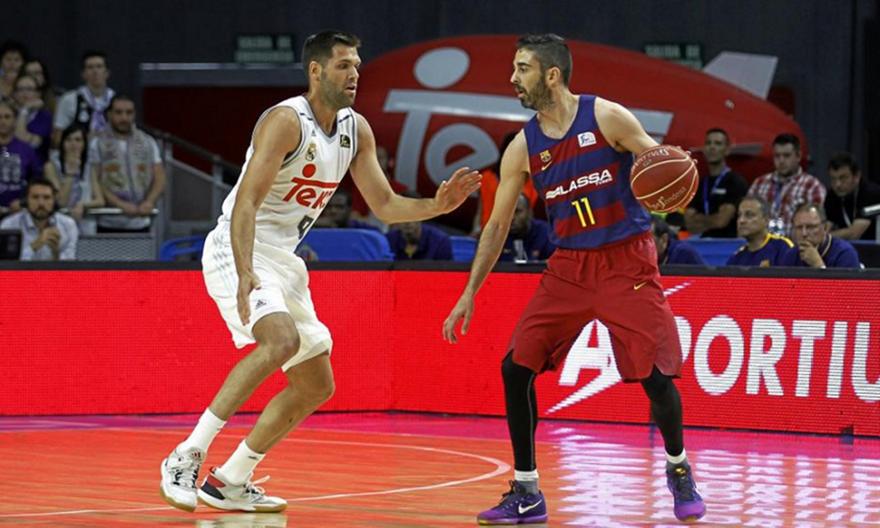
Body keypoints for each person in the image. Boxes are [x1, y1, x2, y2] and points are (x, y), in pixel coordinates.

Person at [159, 30, 480, 514]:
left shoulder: (356, 130)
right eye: (343, 65)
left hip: (284, 260)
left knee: (316, 384)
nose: (354, 75)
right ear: (316, 71)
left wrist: (437, 205)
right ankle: (186, 454)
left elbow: (384, 205)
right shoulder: (286, 121)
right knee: (281, 341)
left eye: (357, 66)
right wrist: (244, 272)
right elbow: (245, 202)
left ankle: (231, 481)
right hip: (237, 246)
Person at [442, 34, 705, 525]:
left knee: (655, 377)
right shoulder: (522, 146)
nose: (512, 79)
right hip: (569, 266)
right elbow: (496, 227)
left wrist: (673, 185)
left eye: (522, 69)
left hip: (627, 261)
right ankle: (526, 491)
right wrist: (469, 292)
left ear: (552, 75)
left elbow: (660, 163)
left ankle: (678, 467)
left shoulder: (607, 117)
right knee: (515, 367)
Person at [89, 95, 165, 232]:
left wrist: (149, 201)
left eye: (129, 113)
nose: (124, 118)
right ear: (109, 114)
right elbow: (95, 180)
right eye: (118, 112)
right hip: (109, 220)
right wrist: (120, 204)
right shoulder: (98, 144)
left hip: (141, 220)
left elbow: (159, 177)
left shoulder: (147, 142)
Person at [747, 133, 825, 236]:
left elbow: (816, 227)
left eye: (786, 156)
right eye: (777, 156)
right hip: (763, 244)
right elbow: (747, 218)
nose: (781, 161)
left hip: (795, 244)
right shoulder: (759, 184)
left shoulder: (812, 186)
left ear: (798, 156)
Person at [683, 128, 748, 238]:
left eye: (718, 143)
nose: (712, 147)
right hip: (701, 242)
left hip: (728, 243)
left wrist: (698, 217)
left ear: (727, 150)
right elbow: (689, 223)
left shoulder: (735, 181)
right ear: (704, 149)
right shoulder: (700, 183)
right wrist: (713, 219)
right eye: (708, 143)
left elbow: (721, 221)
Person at [472, 132, 539, 237]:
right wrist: (475, 231)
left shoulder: (533, 181)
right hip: (489, 235)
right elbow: (480, 211)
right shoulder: (487, 177)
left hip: (520, 236)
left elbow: (529, 214)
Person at [0, 177, 78, 260]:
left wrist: (56, 254)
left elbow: (70, 263)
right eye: (35, 197)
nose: (41, 203)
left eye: (47, 197)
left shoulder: (68, 225)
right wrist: (35, 245)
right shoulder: (9, 224)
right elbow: (6, 263)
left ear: (54, 201)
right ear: (26, 201)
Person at [44, 125, 103, 228]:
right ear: (62, 143)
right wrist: (70, 174)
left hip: (85, 225)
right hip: (60, 225)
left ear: (84, 144)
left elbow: (100, 200)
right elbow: (61, 202)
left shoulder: (89, 167)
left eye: (78, 140)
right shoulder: (51, 167)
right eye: (68, 139)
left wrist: (82, 205)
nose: (73, 144)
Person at [53, 50, 115, 147]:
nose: (95, 71)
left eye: (99, 66)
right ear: (83, 74)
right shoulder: (69, 99)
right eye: (90, 67)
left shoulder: (116, 100)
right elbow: (57, 138)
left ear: (107, 73)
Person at [780, 202, 860, 268]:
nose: (804, 233)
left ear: (825, 227)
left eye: (810, 227)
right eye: (799, 227)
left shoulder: (844, 253)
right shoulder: (791, 255)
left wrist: (818, 265)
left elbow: (846, 283)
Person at [824, 152, 880, 241]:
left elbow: (854, 234)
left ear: (856, 176)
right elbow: (826, 227)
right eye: (833, 179)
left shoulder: (872, 194)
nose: (837, 184)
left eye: (843, 178)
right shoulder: (832, 195)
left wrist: (824, 237)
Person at [0, 100, 42, 216]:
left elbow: (37, 181)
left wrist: (23, 202)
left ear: (14, 120)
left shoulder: (26, 150)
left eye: (7, 117)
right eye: (0, 117)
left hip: (19, 212)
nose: (3, 121)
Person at [726, 195, 793, 267]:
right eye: (739, 215)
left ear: (766, 220)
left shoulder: (783, 247)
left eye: (749, 215)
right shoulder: (736, 258)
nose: (741, 221)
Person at [499, 193, 554, 262]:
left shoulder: (546, 233)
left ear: (529, 212)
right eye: (508, 213)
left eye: (517, 211)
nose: (512, 217)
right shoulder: (498, 236)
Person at [12, 74, 52, 163]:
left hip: (35, 166)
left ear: (38, 93)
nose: (24, 93)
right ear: (14, 94)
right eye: (20, 89)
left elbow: (22, 140)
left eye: (29, 89)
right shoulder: (7, 114)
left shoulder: (44, 116)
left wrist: (24, 110)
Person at [311, 187, 379, 230]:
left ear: (349, 209)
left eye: (339, 207)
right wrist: (314, 224)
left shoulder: (361, 229)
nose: (333, 210)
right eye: (328, 207)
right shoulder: (314, 228)